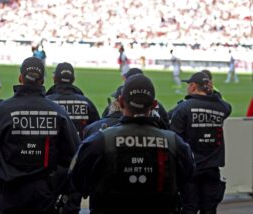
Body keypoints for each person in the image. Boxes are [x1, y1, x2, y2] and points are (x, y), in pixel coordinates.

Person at [70, 74, 195, 214]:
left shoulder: (98, 141)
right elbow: (187, 177)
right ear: (154, 105)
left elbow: (78, 180)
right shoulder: (174, 142)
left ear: (121, 102)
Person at [0, 57, 80, 214]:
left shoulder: (1, 110)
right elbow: (73, 154)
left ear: (20, 78)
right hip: (45, 196)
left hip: (11, 195)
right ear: (43, 81)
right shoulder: (59, 112)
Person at [170, 72, 232, 214]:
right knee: (209, 209)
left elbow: (176, 140)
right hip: (212, 168)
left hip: (190, 169)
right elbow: (227, 107)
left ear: (192, 86)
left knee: (189, 208)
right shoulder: (221, 107)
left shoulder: (183, 108)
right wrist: (213, 92)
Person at [47, 62, 100, 140]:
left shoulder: (46, 102)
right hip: (80, 150)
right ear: (73, 79)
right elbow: (96, 131)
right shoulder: (87, 103)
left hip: (54, 151)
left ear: (54, 78)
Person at [102, 68, 170, 129]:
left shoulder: (103, 136)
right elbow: (167, 126)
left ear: (121, 101)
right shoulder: (171, 139)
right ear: (153, 105)